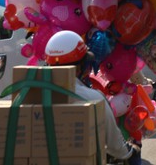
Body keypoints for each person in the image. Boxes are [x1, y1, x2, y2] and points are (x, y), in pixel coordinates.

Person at [44, 30, 140, 163]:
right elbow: (116, 146)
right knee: (133, 155)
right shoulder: (93, 98)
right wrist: (131, 150)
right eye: (86, 65)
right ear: (78, 68)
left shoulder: (28, 94)